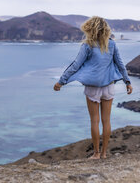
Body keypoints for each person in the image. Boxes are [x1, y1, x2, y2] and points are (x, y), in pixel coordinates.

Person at [53, 16, 133, 160]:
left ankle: (96, 154)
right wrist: (127, 82)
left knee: (94, 121)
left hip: (92, 88)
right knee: (106, 121)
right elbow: (120, 64)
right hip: (109, 86)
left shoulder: (87, 45)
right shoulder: (112, 44)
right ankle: (104, 153)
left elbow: (75, 65)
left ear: (90, 29)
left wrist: (61, 81)